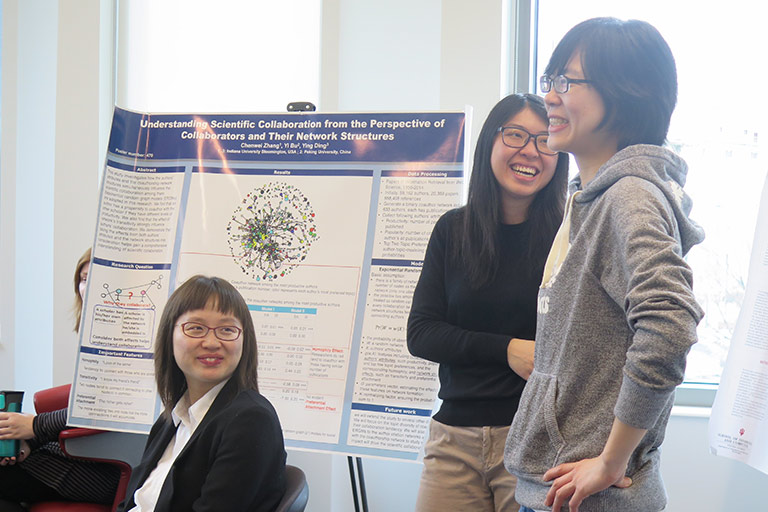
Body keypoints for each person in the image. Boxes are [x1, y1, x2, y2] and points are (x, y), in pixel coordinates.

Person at [503, 17, 704, 512]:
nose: (549, 96)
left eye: (566, 82)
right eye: (550, 80)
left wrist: (612, 461)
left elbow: (670, 324)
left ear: (627, 94)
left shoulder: (628, 198)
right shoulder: (590, 200)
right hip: (561, 490)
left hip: (591, 499)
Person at [407, 93, 568, 511]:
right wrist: (506, 349)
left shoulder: (570, 237)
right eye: (515, 135)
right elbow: (422, 334)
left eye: (545, 140)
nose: (530, 151)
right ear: (489, 144)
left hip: (537, 439)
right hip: (453, 439)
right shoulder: (453, 230)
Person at [118, 275, 286, 512]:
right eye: (196, 328)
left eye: (227, 330)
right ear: (169, 336)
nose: (211, 342)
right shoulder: (173, 418)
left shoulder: (251, 421)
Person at [0, 247, 120, 512]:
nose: (88, 287)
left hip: (103, 467)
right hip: (74, 452)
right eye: (84, 278)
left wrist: (34, 427)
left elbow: (107, 407)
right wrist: (26, 442)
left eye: (98, 278)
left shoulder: (128, 345)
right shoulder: (94, 339)